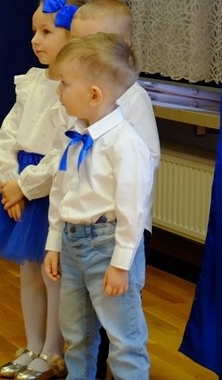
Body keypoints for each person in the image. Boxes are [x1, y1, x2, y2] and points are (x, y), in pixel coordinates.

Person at [0, 0, 83, 380]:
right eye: (34, 31)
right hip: (20, 182)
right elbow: (8, 134)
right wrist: (7, 180)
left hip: (48, 189)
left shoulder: (72, 88)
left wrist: (24, 187)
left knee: (53, 273)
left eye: (46, 31)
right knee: (29, 271)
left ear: (72, 36)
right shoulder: (32, 81)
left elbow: (63, 150)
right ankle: (33, 345)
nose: (35, 39)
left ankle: (53, 350)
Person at [43, 33, 152, 380]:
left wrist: (120, 264)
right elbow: (62, 191)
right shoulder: (77, 136)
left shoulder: (125, 144)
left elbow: (133, 210)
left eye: (65, 83)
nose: (59, 91)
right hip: (73, 244)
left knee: (124, 339)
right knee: (77, 335)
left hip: (108, 247)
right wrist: (54, 242)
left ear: (93, 95)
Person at [69, 0, 160, 380]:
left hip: (120, 228)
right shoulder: (81, 95)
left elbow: (144, 161)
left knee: (119, 324)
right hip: (84, 227)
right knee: (84, 325)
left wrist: (124, 247)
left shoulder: (131, 98)